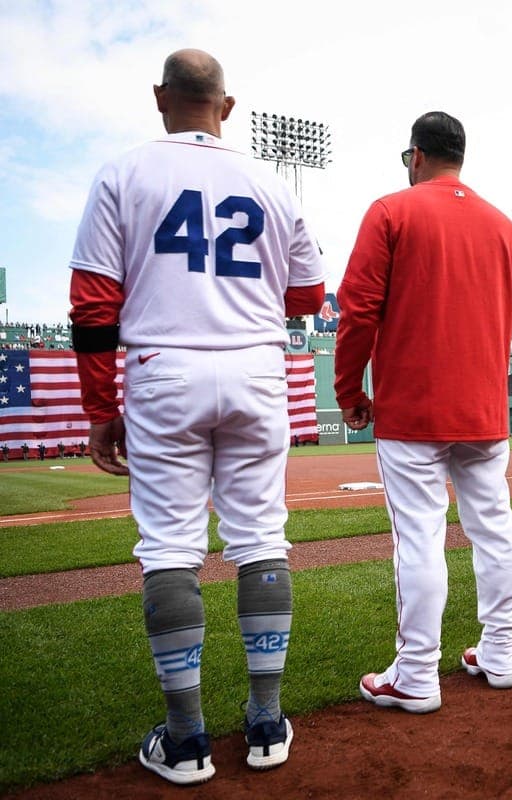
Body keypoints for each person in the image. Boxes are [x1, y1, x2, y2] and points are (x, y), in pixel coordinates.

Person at [67, 49, 325, 785]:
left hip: (164, 368)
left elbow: (93, 305)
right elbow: (309, 295)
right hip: (255, 368)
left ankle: (186, 741)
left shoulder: (123, 172)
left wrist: (100, 409)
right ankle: (266, 721)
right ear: (227, 106)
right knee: (260, 537)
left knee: (170, 548)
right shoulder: (270, 181)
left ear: (161, 97)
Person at [335, 113, 512, 707]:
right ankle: (499, 653)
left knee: (420, 537)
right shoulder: (505, 225)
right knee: (494, 529)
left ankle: (417, 673)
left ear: (416, 156)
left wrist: (349, 391)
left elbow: (358, 311)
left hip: (413, 408)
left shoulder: (390, 211)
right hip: (483, 406)